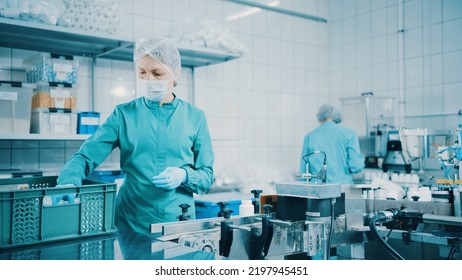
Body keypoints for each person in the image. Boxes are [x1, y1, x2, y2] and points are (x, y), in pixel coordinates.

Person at [57, 37, 214, 234]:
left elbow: (206, 176)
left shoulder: (195, 117)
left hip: (178, 221)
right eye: (142, 72)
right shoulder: (123, 114)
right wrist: (69, 181)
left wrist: (184, 175)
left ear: (175, 74)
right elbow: (85, 156)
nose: (149, 80)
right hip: (131, 220)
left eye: (157, 73)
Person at [300, 104, 364, 184]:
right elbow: (356, 166)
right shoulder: (349, 134)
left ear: (320, 118)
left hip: (317, 189)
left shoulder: (310, 137)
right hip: (342, 188)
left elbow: (304, 171)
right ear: (337, 117)